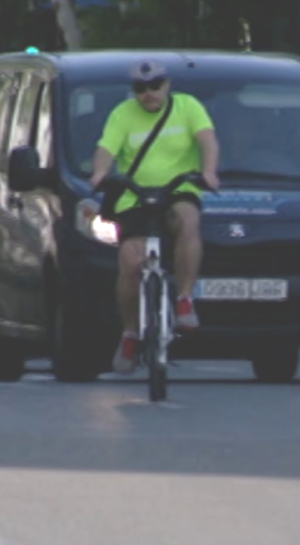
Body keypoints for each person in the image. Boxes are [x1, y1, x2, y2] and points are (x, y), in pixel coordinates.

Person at [89, 59, 221, 374]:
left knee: (188, 219)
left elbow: (207, 141)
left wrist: (208, 172)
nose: (148, 94)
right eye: (140, 88)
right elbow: (106, 149)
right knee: (131, 262)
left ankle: (185, 300)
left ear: (167, 84)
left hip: (177, 190)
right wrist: (100, 174)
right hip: (135, 195)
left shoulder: (189, 107)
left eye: (155, 86)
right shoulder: (122, 115)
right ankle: (131, 333)